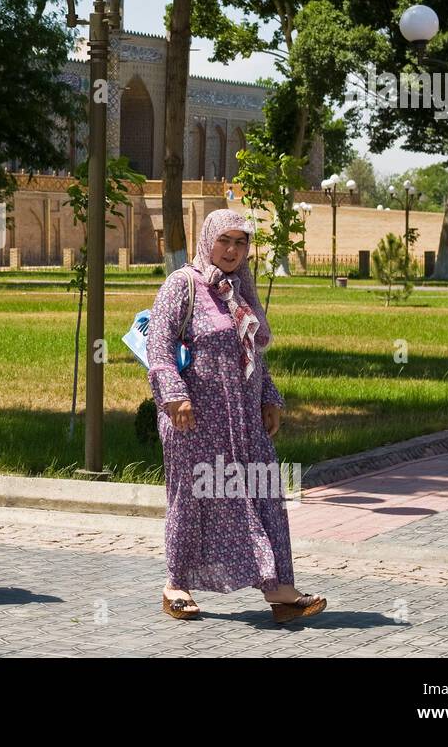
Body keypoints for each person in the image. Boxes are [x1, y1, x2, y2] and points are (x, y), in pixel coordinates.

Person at [146, 207, 326, 624]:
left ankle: (278, 590)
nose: (231, 250)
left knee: (264, 494)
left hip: (244, 421)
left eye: (240, 242)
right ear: (208, 240)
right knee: (191, 499)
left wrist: (269, 396)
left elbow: (253, 355)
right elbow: (159, 347)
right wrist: (174, 397)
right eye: (224, 240)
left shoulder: (242, 288)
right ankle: (176, 585)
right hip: (193, 420)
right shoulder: (182, 285)